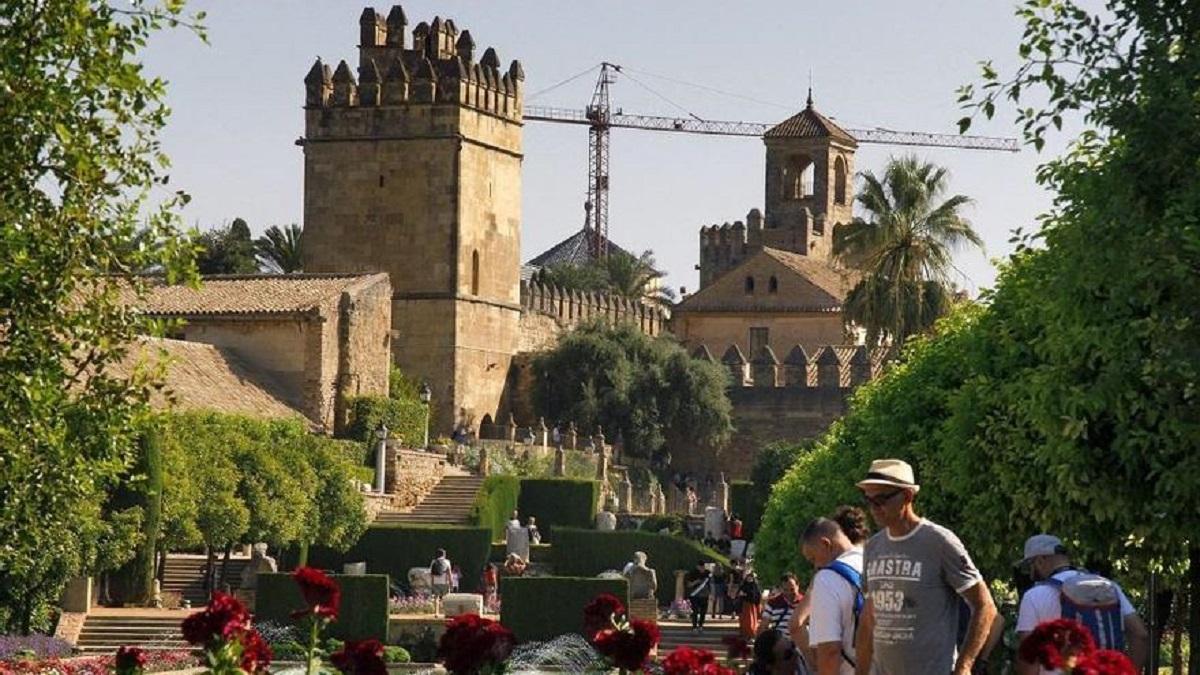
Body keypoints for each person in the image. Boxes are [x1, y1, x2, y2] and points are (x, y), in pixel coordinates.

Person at [854, 459, 997, 675]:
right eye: (869, 501)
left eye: (881, 500)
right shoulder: (873, 546)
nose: (874, 509)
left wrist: (965, 666)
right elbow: (869, 617)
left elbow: (985, 605)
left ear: (908, 496)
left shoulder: (938, 541)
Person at [1014, 534, 1149, 674]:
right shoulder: (1107, 587)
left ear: (1041, 560)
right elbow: (1140, 634)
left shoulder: (1034, 596)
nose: (1030, 573)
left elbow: (1029, 657)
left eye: (1030, 565)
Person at [801, 517, 864, 675]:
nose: (816, 566)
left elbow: (829, 651)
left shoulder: (827, 578)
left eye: (813, 558)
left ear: (825, 544)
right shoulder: (875, 562)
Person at [685, 561, 712, 633]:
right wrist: (696, 582)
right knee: (695, 611)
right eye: (701, 566)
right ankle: (694, 627)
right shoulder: (693, 573)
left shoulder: (708, 573)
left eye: (703, 566)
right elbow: (688, 585)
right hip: (695, 595)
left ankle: (701, 626)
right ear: (697, 566)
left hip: (704, 595)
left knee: (703, 611)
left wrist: (711, 593)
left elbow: (711, 584)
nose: (702, 568)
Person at [738, 568, 764, 640]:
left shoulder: (755, 586)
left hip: (751, 606)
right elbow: (739, 593)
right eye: (748, 578)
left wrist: (746, 594)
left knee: (751, 621)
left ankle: (751, 634)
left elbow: (756, 595)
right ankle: (745, 634)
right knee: (744, 621)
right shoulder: (743, 585)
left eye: (751, 578)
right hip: (744, 606)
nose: (749, 579)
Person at [429, 548, 452, 616]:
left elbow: (431, 573)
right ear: (444, 555)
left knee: (436, 598)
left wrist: (432, 582)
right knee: (447, 598)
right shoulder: (447, 562)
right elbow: (449, 572)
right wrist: (451, 582)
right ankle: (447, 612)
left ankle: (436, 613)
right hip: (445, 582)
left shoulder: (433, 562)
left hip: (436, 582)